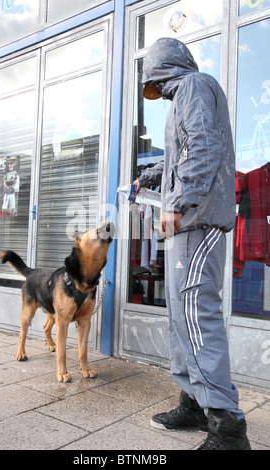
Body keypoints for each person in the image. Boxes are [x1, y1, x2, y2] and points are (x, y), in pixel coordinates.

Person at [133, 37, 251, 450]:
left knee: (197, 317)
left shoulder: (195, 86)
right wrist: (151, 178)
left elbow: (202, 145)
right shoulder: (185, 94)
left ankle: (228, 427)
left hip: (197, 222)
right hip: (187, 227)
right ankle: (196, 404)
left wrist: (178, 200)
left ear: (167, 66)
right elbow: (182, 154)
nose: (159, 91)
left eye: (157, 80)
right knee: (181, 318)